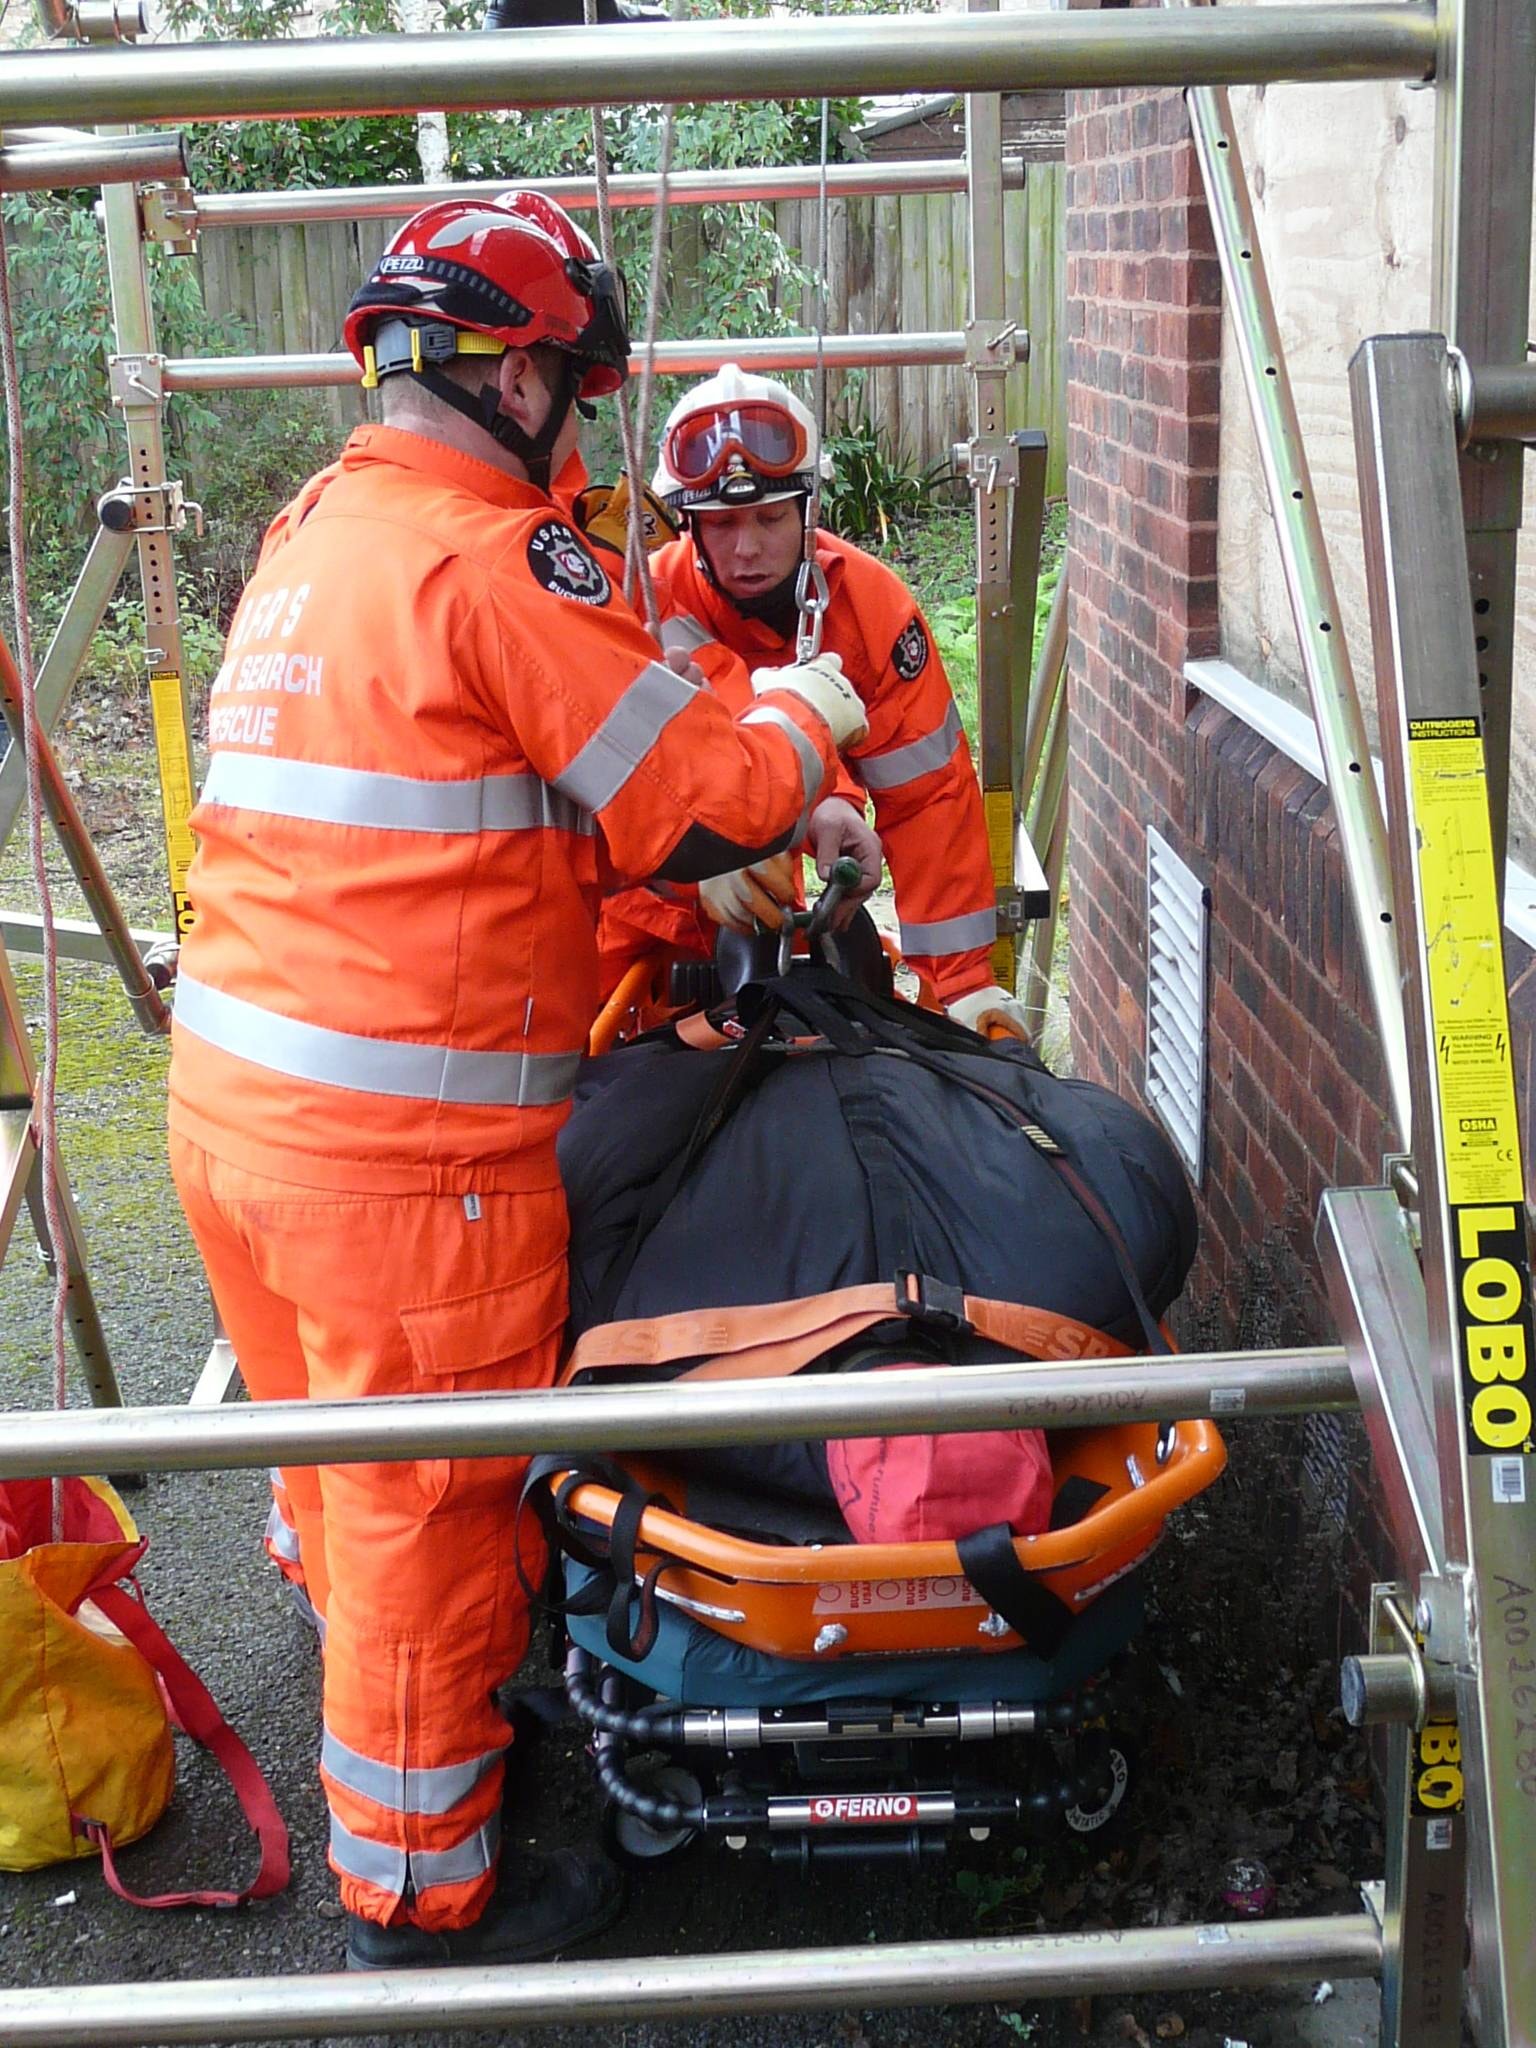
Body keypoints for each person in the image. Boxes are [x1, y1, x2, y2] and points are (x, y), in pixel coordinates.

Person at [165, 194, 866, 1971]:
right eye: (579, 387)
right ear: (529, 372)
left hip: (241, 1112)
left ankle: (405, 1696)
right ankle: (419, 1885)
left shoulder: (318, 531)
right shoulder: (496, 557)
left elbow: (440, 819)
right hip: (409, 1162)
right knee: (433, 1504)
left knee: (342, 1467)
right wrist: (805, 723)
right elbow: (701, 789)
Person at [596, 363, 1031, 1041]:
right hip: (640, 939)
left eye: (771, 518)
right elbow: (606, 804)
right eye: (722, 523)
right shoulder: (639, 609)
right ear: (687, 525)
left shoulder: (871, 609)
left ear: (808, 510)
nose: (748, 548)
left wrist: (964, 984)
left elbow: (929, 802)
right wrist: (697, 867)